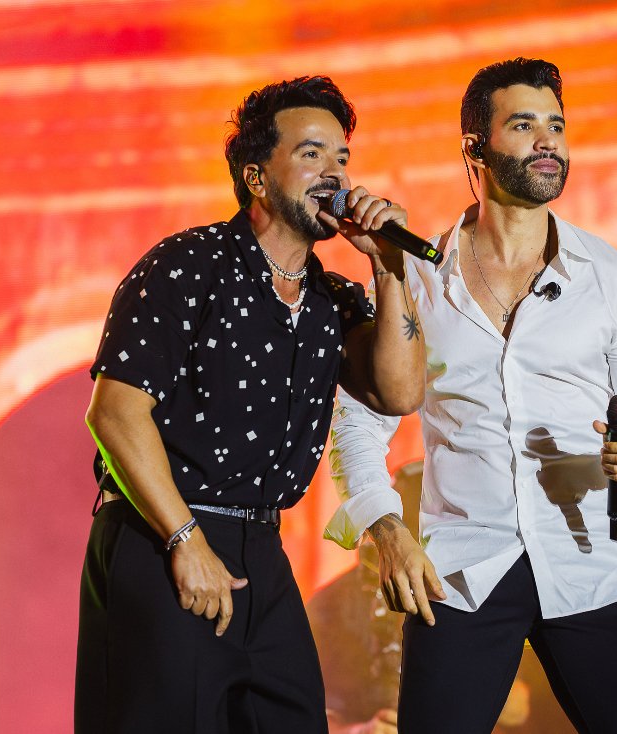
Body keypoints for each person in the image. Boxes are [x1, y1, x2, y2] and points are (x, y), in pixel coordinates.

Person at [324, 58, 617, 733]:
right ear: (475, 148)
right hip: (462, 570)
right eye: (524, 125)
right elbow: (356, 424)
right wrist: (387, 531)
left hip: (591, 561)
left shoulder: (616, 281)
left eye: (556, 125)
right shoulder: (418, 278)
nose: (548, 140)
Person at [75, 75, 424, 733]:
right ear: (257, 178)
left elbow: (400, 391)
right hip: (165, 532)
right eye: (312, 154)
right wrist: (184, 539)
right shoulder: (186, 266)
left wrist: (388, 267)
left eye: (342, 157)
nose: (335, 173)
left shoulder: (331, 299)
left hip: (261, 545)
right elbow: (115, 412)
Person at [310, 462, 566, 734]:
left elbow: (524, 708)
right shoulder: (332, 604)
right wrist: (357, 731)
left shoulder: (506, 585)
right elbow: (305, 710)